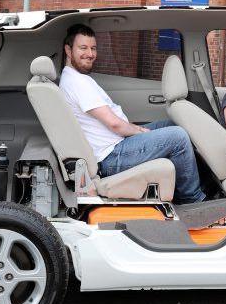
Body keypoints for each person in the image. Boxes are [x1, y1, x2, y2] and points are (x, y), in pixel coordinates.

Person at [58, 24, 205, 204]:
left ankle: (192, 186)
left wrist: (137, 129)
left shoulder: (75, 78)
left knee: (173, 125)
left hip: (117, 145)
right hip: (111, 156)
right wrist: (139, 131)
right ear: (68, 50)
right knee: (178, 137)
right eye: (83, 48)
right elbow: (115, 124)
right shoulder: (77, 83)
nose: (90, 54)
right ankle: (194, 200)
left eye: (93, 48)